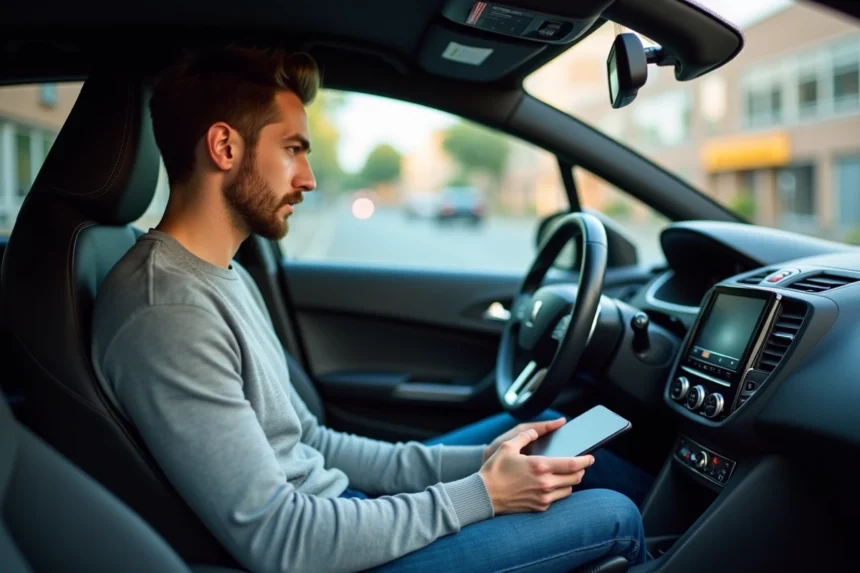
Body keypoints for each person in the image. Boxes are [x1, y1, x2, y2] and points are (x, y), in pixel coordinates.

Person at [91, 46, 653, 573]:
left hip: (341, 512)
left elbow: (312, 441)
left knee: (559, 451)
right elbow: (280, 538)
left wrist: (486, 462)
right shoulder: (166, 310)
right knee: (614, 517)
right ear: (224, 147)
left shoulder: (222, 273)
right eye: (292, 150)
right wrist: (482, 493)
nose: (308, 178)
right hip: (329, 551)